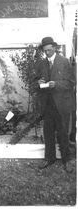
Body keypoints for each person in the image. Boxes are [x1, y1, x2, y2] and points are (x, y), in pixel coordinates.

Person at [35, 37, 75, 172]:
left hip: (62, 104)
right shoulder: (41, 63)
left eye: (49, 50)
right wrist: (38, 83)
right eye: (45, 51)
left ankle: (67, 160)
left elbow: (71, 83)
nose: (47, 53)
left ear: (54, 48)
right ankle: (49, 158)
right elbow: (35, 82)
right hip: (47, 104)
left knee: (63, 133)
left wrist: (56, 84)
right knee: (48, 133)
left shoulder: (64, 62)